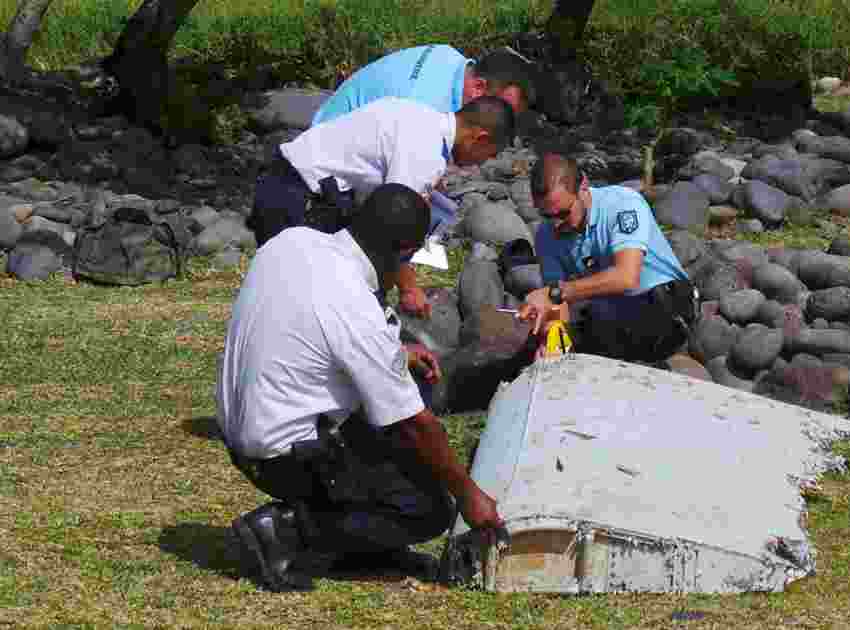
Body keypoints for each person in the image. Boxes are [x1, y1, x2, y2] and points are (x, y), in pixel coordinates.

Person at [219, 183, 504, 593]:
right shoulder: (354, 303)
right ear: (404, 253)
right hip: (281, 456)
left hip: (241, 435)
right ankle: (285, 530)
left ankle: (363, 544)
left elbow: (312, 327)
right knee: (426, 509)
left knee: (398, 435)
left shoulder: (292, 241)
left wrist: (396, 351)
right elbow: (415, 425)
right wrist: (469, 495)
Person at [246, 95, 516, 318]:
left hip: (284, 181)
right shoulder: (427, 151)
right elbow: (394, 227)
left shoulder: (419, 113)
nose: (479, 164)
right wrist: (410, 289)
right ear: (479, 138)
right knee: (304, 304)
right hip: (300, 199)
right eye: (488, 155)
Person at [516, 153, 698, 364]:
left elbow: (627, 277)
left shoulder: (622, 204)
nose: (556, 225)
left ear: (583, 185)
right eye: (547, 216)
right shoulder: (546, 235)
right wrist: (553, 340)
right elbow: (556, 304)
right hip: (615, 317)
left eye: (564, 213)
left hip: (665, 306)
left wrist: (556, 292)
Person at [312, 45, 534, 126]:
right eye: (503, 111)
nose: (503, 123)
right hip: (325, 154)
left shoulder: (448, 55)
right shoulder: (425, 110)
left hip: (333, 111)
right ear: (478, 87)